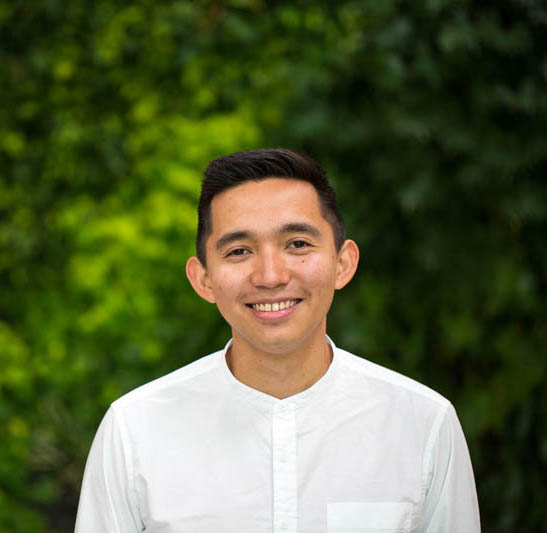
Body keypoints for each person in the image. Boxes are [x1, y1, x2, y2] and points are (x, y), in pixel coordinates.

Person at [75, 148, 480, 532]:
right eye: (239, 251)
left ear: (343, 263)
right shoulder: (135, 430)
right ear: (203, 279)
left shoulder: (423, 424)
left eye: (297, 244)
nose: (270, 276)